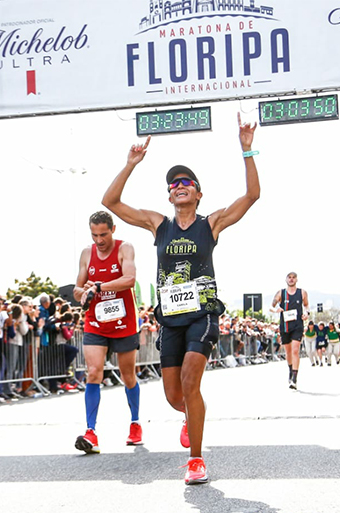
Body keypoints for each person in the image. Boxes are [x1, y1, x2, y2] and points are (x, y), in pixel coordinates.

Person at [101, 113, 260, 485]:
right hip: (169, 317)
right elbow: (110, 201)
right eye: (174, 184)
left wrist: (247, 150)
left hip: (202, 314)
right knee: (176, 396)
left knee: (192, 379)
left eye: (187, 182)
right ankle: (190, 416)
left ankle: (196, 461)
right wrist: (130, 165)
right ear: (169, 195)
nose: (179, 186)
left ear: (199, 193)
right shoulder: (159, 224)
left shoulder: (212, 223)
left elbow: (252, 196)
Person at [73, 211, 143, 454]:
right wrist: (83, 293)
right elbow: (77, 289)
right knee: (93, 372)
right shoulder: (86, 253)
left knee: (128, 376)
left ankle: (135, 423)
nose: (99, 240)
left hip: (123, 321)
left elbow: (129, 279)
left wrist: (101, 286)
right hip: (95, 321)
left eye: (103, 234)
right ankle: (91, 432)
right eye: (94, 235)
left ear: (113, 229)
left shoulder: (125, 248)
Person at [271, 272, 309, 389]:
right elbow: (271, 306)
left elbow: (307, 306)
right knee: (288, 352)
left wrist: (307, 313)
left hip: (297, 325)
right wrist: (275, 309)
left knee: (295, 350)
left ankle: (295, 378)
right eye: (289, 277)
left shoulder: (302, 292)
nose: (291, 279)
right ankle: (290, 370)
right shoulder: (281, 293)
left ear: (297, 279)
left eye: (293, 278)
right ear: (286, 279)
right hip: (285, 325)